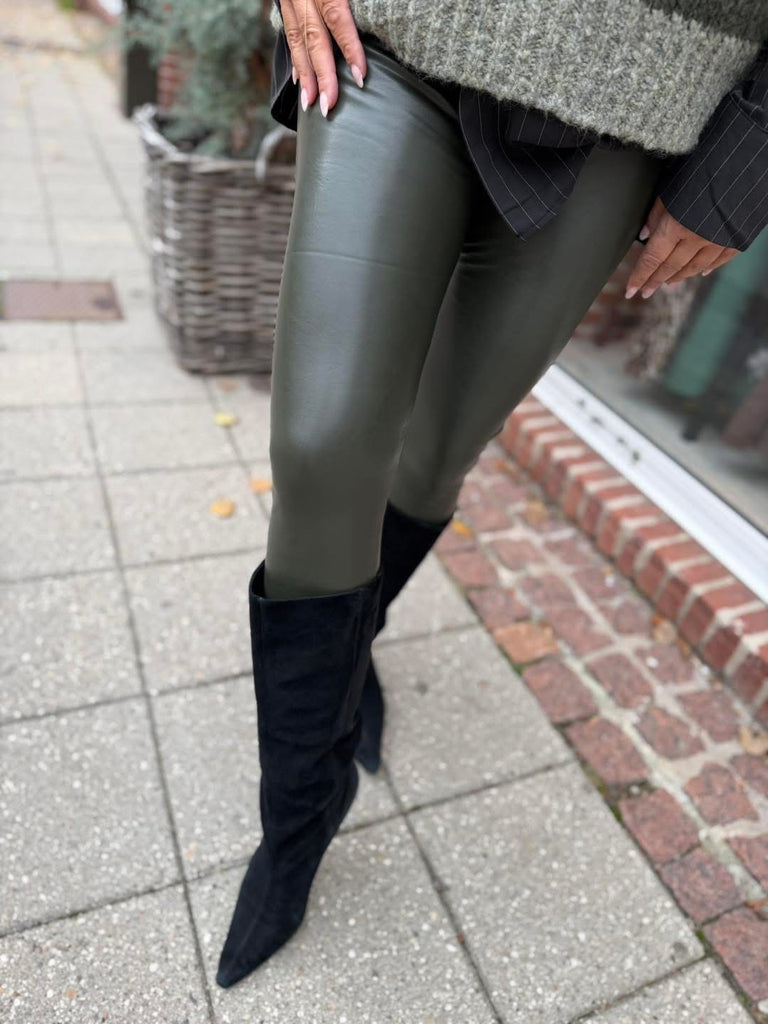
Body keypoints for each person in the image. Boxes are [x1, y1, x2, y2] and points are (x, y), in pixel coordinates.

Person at [215, 0, 768, 989]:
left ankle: (354, 650)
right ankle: (300, 813)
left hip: (628, 94)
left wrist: (749, 151)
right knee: (321, 443)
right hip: (394, 39)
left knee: (438, 451)